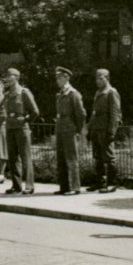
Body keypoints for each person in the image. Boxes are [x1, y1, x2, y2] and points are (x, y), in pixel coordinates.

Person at [3, 68, 39, 195]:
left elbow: (35, 111)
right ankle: (16, 185)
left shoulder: (24, 92)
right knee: (12, 158)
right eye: (7, 76)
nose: (7, 78)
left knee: (25, 157)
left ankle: (29, 185)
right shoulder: (7, 94)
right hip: (10, 128)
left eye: (10, 76)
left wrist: (25, 120)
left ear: (16, 77)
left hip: (22, 129)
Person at [87, 69, 122, 193]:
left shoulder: (111, 92)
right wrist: (90, 128)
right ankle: (100, 183)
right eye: (97, 78)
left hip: (105, 129)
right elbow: (94, 113)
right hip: (97, 128)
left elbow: (115, 114)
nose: (98, 81)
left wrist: (112, 131)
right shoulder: (98, 92)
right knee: (98, 156)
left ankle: (112, 183)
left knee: (109, 156)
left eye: (101, 78)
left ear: (107, 78)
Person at [54, 67, 86, 195]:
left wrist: (77, 129)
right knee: (61, 158)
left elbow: (81, 114)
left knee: (72, 158)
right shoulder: (60, 94)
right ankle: (64, 186)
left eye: (60, 77)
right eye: (57, 78)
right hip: (61, 128)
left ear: (67, 78)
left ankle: (75, 187)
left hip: (69, 129)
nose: (57, 80)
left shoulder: (73, 94)